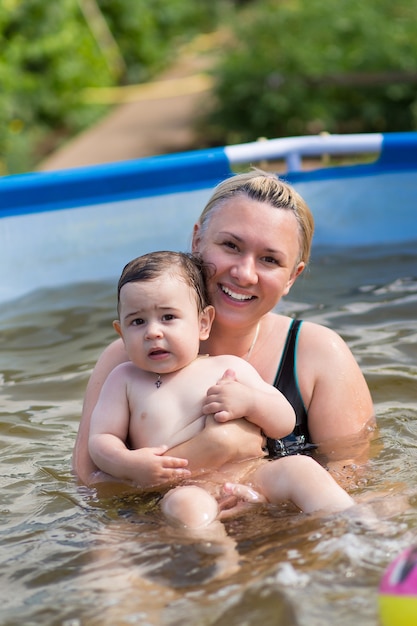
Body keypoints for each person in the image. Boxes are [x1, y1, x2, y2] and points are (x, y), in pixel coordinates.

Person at [73, 169, 374, 488]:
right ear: (196, 241)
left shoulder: (317, 353)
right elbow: (88, 484)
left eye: (270, 260)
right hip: (170, 528)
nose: (244, 274)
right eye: (231, 245)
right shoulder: (126, 359)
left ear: (292, 277)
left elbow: (354, 473)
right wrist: (218, 446)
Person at [88, 251, 354, 528]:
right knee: (187, 509)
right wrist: (128, 464)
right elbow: (101, 438)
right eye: (137, 321)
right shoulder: (124, 379)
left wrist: (251, 402)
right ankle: (220, 560)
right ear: (121, 332)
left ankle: (355, 521)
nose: (152, 332)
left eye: (168, 317)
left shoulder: (227, 367)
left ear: (203, 323)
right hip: (186, 487)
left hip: (252, 471)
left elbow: (284, 422)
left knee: (302, 469)